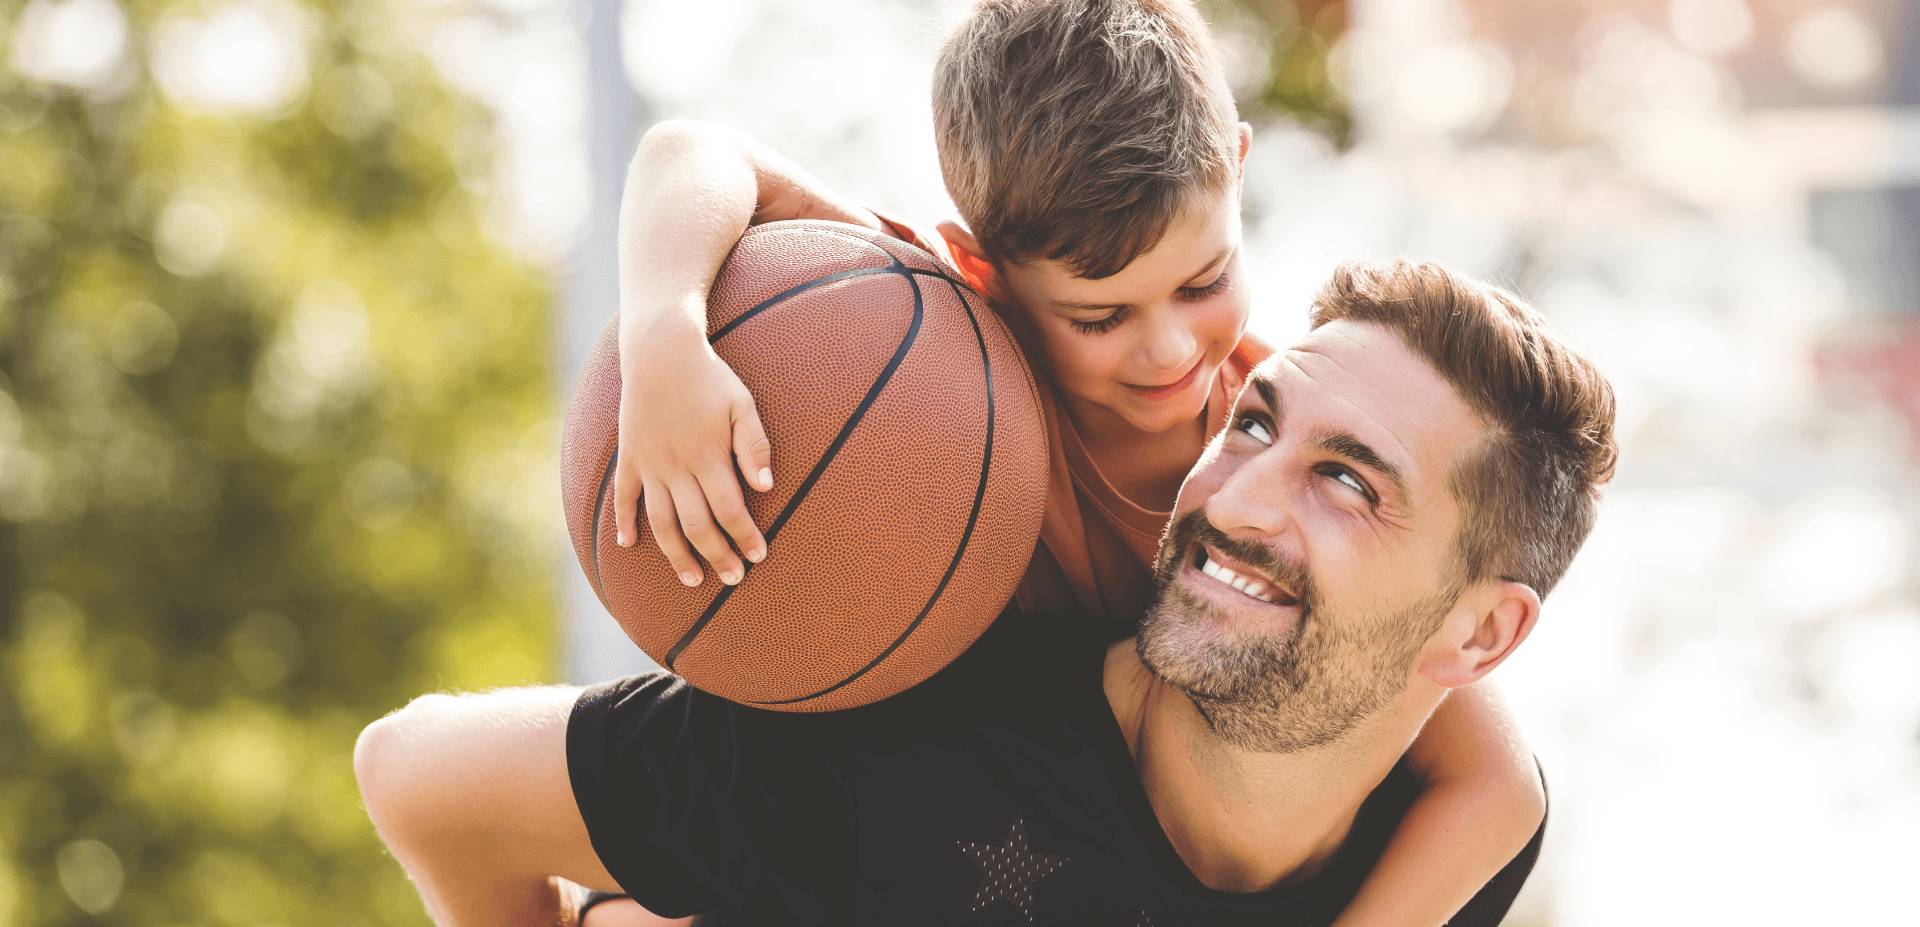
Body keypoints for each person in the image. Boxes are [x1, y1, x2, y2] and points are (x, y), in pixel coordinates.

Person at [605, 1, 1541, 923]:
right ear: (985, 270)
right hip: (897, 824)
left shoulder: (1279, 450)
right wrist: (662, 330)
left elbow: (1501, 785)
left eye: (1203, 281)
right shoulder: (929, 367)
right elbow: (691, 154)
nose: (1171, 350)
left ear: (1238, 172)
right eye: (1101, 317)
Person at [353, 260, 1620, 926]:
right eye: (1253, 423)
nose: (1235, 499)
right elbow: (416, 772)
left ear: (1484, 632)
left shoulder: (1447, 857)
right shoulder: (897, 746)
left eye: (1349, 483)